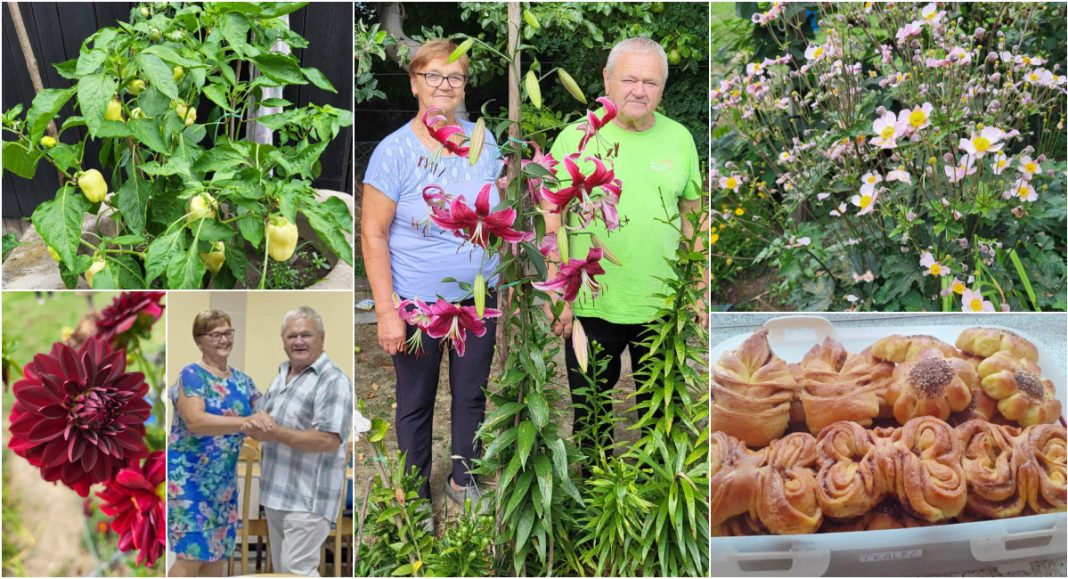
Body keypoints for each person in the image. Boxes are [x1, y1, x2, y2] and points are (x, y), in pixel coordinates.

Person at [543, 37, 708, 453]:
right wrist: (557, 291)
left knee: (660, 413)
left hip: (663, 304)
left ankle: (657, 503)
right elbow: (552, 222)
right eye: (629, 79)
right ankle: (595, 506)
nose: (639, 90)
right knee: (591, 411)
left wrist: (701, 288)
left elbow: (693, 217)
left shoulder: (680, 138)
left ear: (663, 87)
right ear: (606, 80)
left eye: (650, 82)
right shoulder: (573, 139)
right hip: (593, 304)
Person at [360, 39, 501, 516]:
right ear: (416, 83)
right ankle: (415, 492)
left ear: (465, 86)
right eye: (434, 76)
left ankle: (465, 478)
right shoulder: (393, 152)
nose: (445, 85)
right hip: (417, 304)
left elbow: (497, 206)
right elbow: (374, 234)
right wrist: (386, 311)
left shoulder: (484, 140)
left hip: (478, 300)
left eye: (455, 77)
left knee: (472, 394)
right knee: (416, 400)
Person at [243, 306, 352, 576]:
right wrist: (248, 424)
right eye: (292, 336)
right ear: (283, 341)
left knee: (297, 571)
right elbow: (262, 426)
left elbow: (329, 439)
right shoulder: (281, 376)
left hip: (308, 500)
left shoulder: (332, 380)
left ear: (322, 338)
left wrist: (275, 431)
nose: (298, 341)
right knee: (284, 572)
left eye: (306, 334)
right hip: (276, 496)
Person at [168, 310, 273, 577]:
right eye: (216, 334)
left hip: (224, 485)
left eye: (228, 333)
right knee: (191, 556)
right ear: (199, 340)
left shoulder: (243, 381)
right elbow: (196, 421)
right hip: (189, 482)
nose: (224, 339)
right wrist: (245, 423)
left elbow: (262, 421)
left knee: (217, 558)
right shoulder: (191, 375)